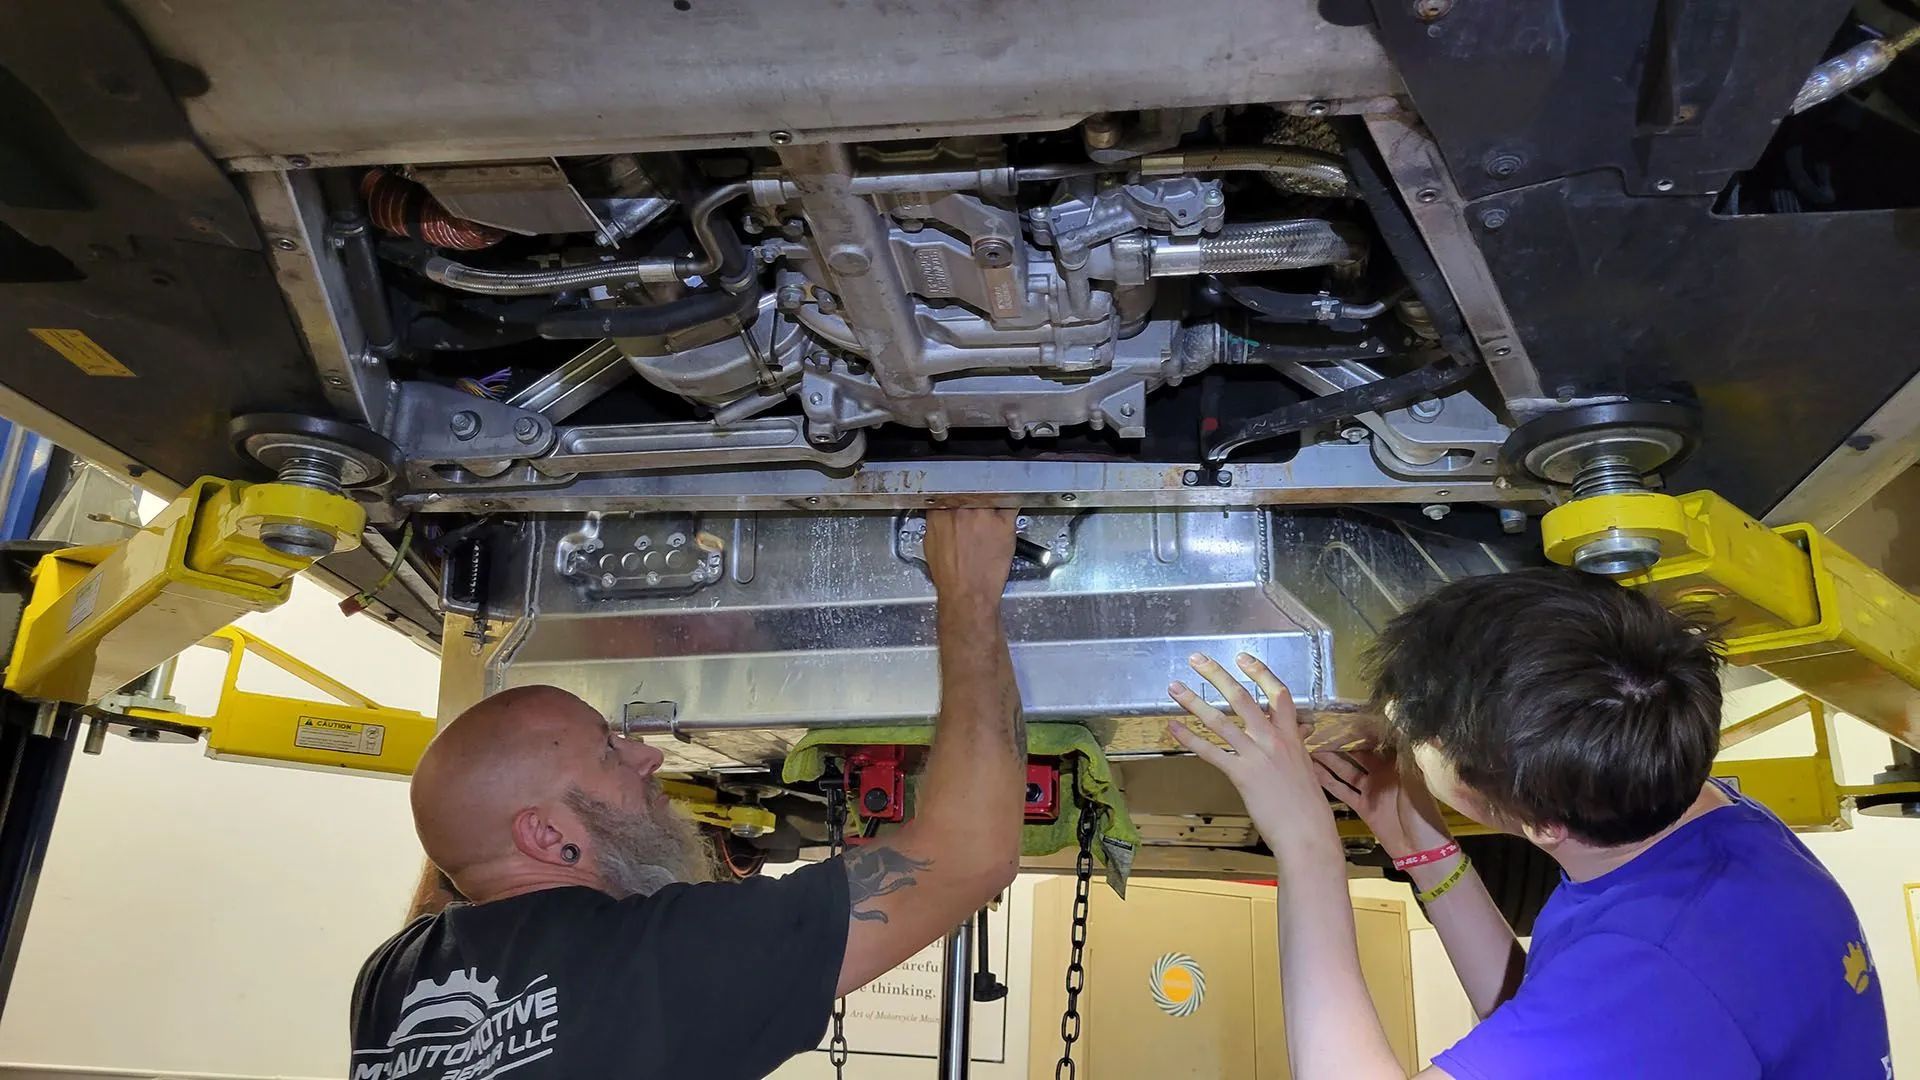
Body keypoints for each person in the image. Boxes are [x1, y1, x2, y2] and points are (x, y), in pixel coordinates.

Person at [349, 508, 1027, 1080]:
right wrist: (968, 595)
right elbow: (968, 855)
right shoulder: (656, 965)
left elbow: (458, 853)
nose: (647, 756)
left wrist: (470, 807)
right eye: (609, 751)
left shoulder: (394, 983)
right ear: (548, 838)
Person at [1167, 567, 1891, 1080]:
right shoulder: (1717, 826)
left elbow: (1612, 1008)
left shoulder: (1658, 972)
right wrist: (1420, 842)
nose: (1401, 736)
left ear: (1543, 825)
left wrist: (1306, 843)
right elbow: (1547, 1012)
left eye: (1422, 740)